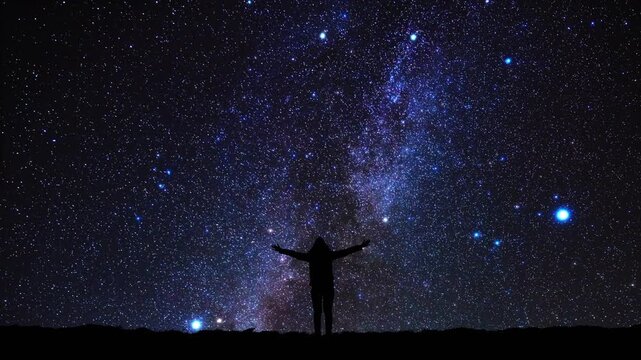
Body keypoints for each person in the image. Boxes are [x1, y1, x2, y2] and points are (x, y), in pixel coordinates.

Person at [271, 237, 371, 336]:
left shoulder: (311, 256)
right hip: (327, 287)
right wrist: (360, 246)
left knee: (317, 312)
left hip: (316, 288)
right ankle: (328, 333)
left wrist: (281, 250)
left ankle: (318, 333)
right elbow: (345, 252)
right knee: (327, 312)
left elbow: (295, 254)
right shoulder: (329, 255)